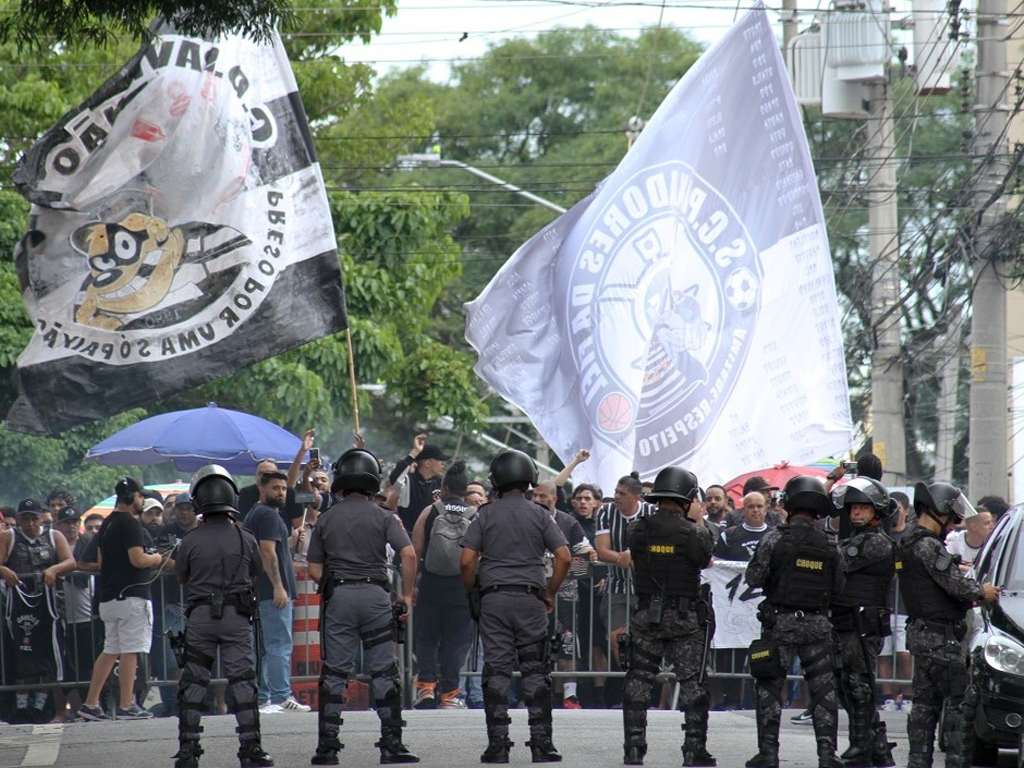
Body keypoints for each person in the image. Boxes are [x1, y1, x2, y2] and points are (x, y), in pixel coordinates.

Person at [306, 448, 419, 765]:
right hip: (376, 596)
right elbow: (408, 555)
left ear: (341, 481)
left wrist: (333, 580)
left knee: (334, 673)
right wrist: (406, 595)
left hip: (339, 596)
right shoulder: (384, 516)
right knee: (384, 670)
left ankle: (327, 748)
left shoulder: (327, 518)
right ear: (372, 482)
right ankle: (391, 744)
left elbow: (314, 568)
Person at [459, 449, 570, 764]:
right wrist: (550, 592)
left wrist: (473, 591)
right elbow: (563, 557)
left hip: (494, 598)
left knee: (496, 668)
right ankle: (542, 744)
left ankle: (498, 745)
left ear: (496, 479)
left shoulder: (485, 514)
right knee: (535, 669)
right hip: (531, 598)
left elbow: (467, 560)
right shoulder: (540, 514)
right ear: (529, 479)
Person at [173, 465, 273, 768]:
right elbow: (256, 572)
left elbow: (181, 577)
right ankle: (251, 748)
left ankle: (188, 750)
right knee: (243, 681)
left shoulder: (189, 540)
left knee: (193, 683)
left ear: (198, 500)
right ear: (232, 498)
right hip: (236, 615)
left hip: (201, 615)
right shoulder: (247, 538)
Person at [744, 476, 845, 768]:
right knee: (824, 689)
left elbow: (753, 577)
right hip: (817, 624)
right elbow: (839, 586)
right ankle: (827, 754)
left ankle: (769, 752)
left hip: (781, 623)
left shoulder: (775, 537)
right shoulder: (829, 543)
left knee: (770, 685)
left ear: (789, 503)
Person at [620, 467, 716, 767]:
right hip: (684, 618)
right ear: (687, 499)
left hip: (646, 615)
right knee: (692, 684)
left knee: (638, 681)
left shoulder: (636, 529)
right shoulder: (696, 533)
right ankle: (693, 749)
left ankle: (634, 748)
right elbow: (704, 559)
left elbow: (639, 554)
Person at [900, 482, 1000, 768]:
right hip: (940, 638)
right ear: (940, 511)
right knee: (958, 704)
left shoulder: (908, 542)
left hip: (921, 634)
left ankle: (917, 762)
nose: (952, 523)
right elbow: (958, 588)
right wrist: (984, 592)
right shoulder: (929, 546)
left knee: (924, 705)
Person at [78, 477, 166, 721]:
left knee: (110, 651)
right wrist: (156, 558)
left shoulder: (106, 524)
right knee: (131, 650)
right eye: (139, 496)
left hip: (109, 596)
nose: (142, 500)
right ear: (129, 497)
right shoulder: (130, 524)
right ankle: (127, 704)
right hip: (131, 596)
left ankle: (91, 703)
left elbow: (101, 562)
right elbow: (138, 559)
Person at [829, 477, 898, 767]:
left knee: (859, 683)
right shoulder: (855, 539)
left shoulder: (876, 543)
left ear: (876, 511)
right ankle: (877, 744)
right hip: (848, 621)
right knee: (847, 683)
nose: (856, 513)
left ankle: (861, 745)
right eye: (853, 508)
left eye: (862, 508)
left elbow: (837, 563)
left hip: (864, 625)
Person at [0, 498, 76, 723]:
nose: (31, 524)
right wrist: (4, 571)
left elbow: (71, 562)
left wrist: (54, 569)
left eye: (34, 519)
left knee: (51, 657)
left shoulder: (54, 536)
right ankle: (22, 707)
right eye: (25, 519)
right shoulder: (9, 537)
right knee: (22, 654)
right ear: (19, 520)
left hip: (50, 604)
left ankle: (48, 707)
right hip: (20, 605)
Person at [411, 460, 476, 710]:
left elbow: (415, 550)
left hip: (430, 584)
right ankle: (449, 694)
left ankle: (426, 687)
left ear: (445, 487)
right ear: (465, 489)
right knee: (456, 642)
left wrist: (410, 587)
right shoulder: (474, 515)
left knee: (426, 637)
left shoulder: (430, 512)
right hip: (461, 588)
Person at [243, 470, 307, 713]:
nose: (281, 493)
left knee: (268, 645)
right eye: (275, 488)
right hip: (271, 592)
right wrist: (279, 586)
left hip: (263, 591)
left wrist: (290, 541)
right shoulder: (267, 515)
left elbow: (272, 548)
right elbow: (267, 552)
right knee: (278, 643)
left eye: (283, 489)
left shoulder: (260, 514)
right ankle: (281, 695)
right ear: (262, 488)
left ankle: (265, 697)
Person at [388, 435, 450, 532]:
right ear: (428, 464)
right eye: (439, 461)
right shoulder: (408, 481)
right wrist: (414, 452)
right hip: (407, 537)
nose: (443, 464)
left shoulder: (439, 483)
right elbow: (395, 478)